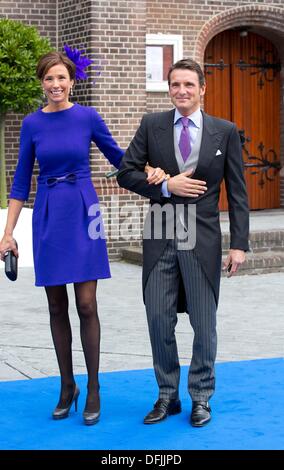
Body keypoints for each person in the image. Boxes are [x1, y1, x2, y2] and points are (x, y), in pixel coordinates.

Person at [0, 50, 165, 425]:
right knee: (56, 305)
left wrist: (150, 168)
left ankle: (93, 387)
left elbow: (118, 156)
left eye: (61, 78)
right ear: (41, 83)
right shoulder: (31, 124)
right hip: (47, 212)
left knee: (86, 304)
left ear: (72, 81)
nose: (55, 85)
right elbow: (21, 181)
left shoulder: (87, 117)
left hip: (82, 209)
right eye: (48, 79)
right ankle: (66, 385)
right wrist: (8, 233)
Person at [117, 58, 249, 427]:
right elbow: (125, 172)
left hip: (202, 237)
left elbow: (238, 193)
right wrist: (163, 184)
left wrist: (239, 244)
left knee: (204, 323)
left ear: (202, 88)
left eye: (189, 85)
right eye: (175, 85)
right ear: (169, 88)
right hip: (159, 232)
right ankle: (167, 395)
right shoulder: (152, 125)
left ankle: (202, 397)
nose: (182, 91)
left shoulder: (224, 131)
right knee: (158, 319)